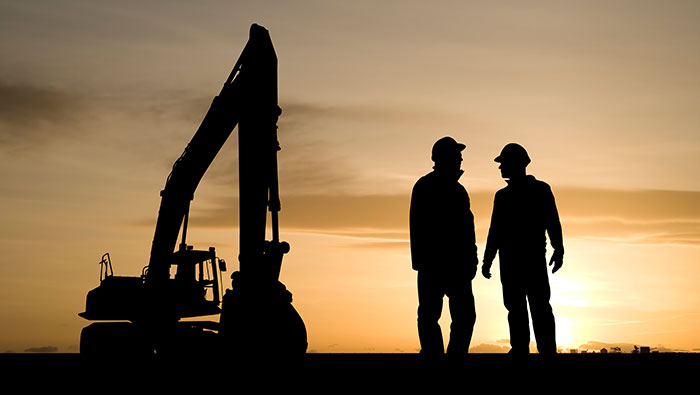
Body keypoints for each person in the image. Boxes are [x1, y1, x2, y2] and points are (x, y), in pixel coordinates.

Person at [481, 143, 564, 355]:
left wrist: (558, 248)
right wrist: (488, 259)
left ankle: (545, 350)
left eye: (503, 164)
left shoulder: (540, 190)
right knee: (517, 308)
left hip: (530, 259)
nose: (500, 168)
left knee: (539, 307)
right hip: (511, 261)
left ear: (516, 164)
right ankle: (521, 349)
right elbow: (495, 231)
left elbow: (552, 222)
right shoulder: (502, 196)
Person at [409, 136, 478, 358]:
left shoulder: (456, 190)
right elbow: (418, 226)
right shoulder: (428, 187)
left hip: (452, 265)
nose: (460, 160)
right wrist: (421, 262)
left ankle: (447, 356)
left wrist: (472, 260)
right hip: (438, 264)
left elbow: (467, 229)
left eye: (460, 156)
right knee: (432, 315)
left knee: (461, 315)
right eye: (457, 156)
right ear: (442, 158)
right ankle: (438, 356)